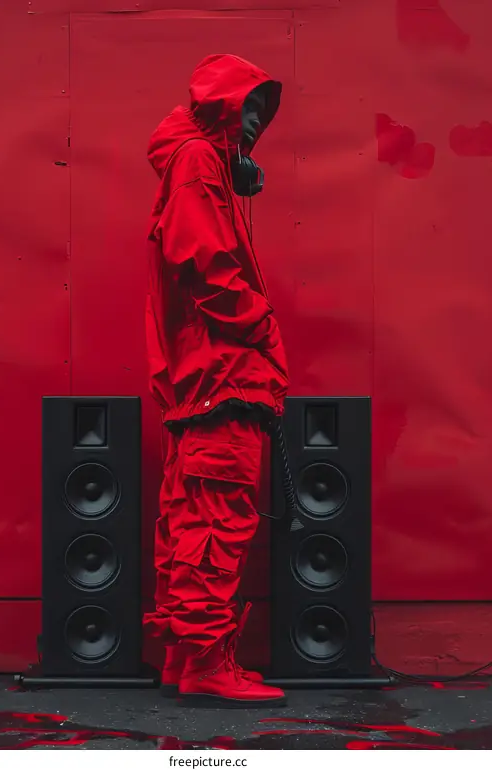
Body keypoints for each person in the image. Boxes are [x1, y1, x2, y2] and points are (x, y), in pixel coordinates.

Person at [143, 53, 289, 707]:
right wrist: (259, 324)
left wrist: (238, 172)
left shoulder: (201, 163)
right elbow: (202, 261)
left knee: (189, 519)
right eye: (250, 108)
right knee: (217, 518)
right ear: (224, 106)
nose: (257, 123)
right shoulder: (199, 162)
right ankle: (206, 667)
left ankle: (187, 658)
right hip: (222, 370)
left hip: (203, 375)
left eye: (264, 113)